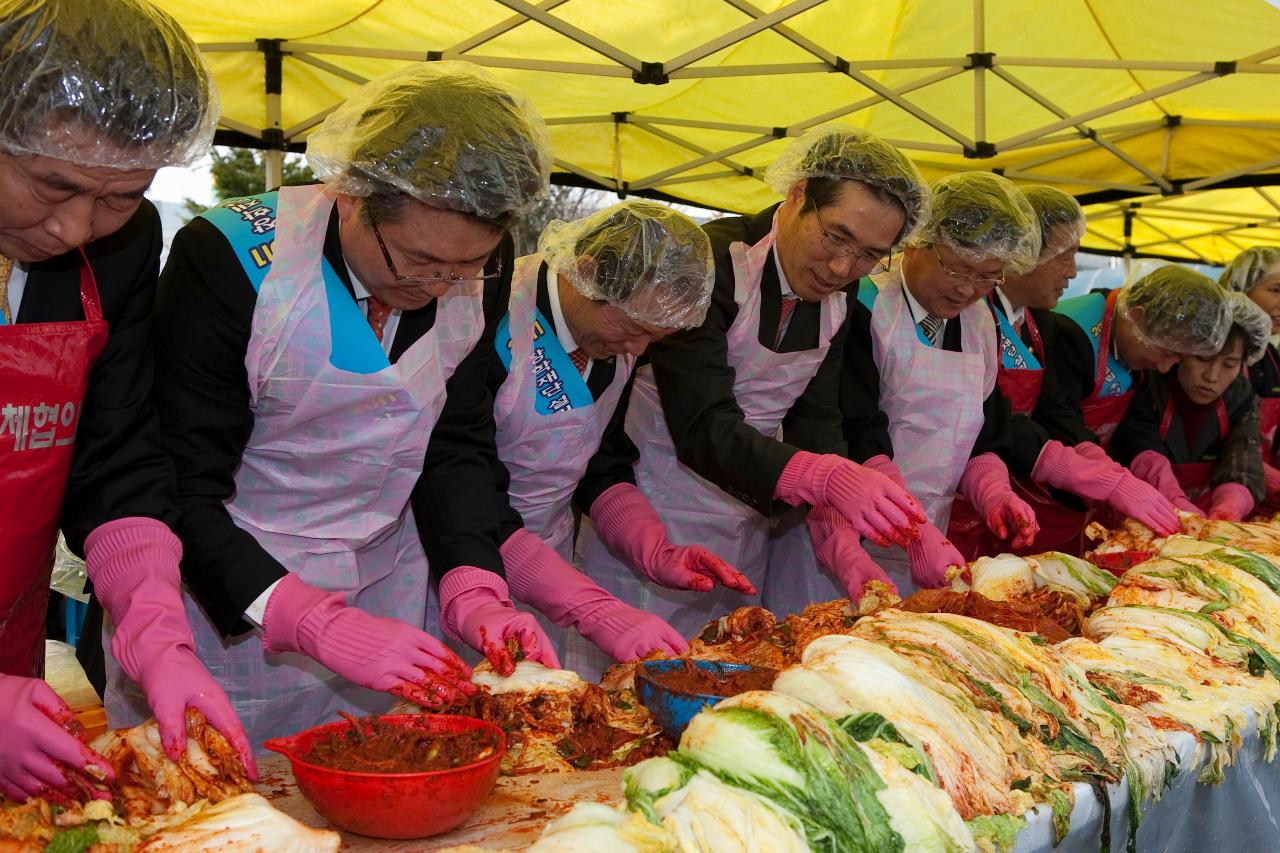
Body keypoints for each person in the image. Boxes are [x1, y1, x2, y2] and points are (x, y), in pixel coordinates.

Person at [139, 62, 556, 750]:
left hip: (387, 600)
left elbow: (453, 444)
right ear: (353, 195)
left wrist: (473, 578)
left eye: (465, 267)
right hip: (232, 595)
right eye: (418, 261)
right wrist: (307, 616)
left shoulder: (481, 259)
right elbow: (176, 481)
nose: (440, 284)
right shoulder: (231, 257)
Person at [0, 0, 254, 801]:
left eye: (120, 194)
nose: (77, 226)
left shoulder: (125, 243)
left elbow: (112, 447)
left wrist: (154, 622)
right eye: (52, 183)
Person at [577, 124, 931, 645]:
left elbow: (816, 416)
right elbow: (701, 422)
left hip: (748, 523)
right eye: (835, 236)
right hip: (650, 516)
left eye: (869, 255)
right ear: (796, 194)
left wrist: (835, 532)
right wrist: (824, 477)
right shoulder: (709, 263)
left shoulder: (840, 298)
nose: (842, 267)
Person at [492, 200, 751, 672]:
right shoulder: (495, 311)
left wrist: (651, 547)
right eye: (632, 329)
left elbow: (599, 457)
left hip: (548, 560)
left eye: (653, 339)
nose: (636, 350)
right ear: (587, 274)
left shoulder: (616, 338)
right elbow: (458, 471)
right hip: (458, 557)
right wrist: (593, 608)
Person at [835, 171, 1042, 602]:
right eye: (958, 268)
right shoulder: (864, 306)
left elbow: (983, 432)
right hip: (841, 544)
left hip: (933, 547)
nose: (969, 289)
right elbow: (855, 429)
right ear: (915, 240)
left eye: (988, 276)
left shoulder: (981, 322)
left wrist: (993, 492)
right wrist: (913, 532)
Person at [945, 185, 1182, 558]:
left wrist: (1098, 463)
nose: (1072, 272)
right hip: (956, 498)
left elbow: (1054, 411)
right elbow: (991, 414)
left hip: (1011, 497)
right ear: (1021, 254)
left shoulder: (1041, 324)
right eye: (1064, 256)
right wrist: (1080, 472)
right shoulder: (969, 315)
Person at [1040, 263, 1232, 541]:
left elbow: (1136, 423)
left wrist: (1166, 487)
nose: (1165, 368)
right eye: (1166, 353)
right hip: (1034, 489)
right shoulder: (1072, 330)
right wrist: (1115, 483)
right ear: (1138, 316)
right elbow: (1059, 421)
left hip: (1077, 497)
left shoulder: (1139, 347)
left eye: (1178, 360)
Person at [1111, 293, 1270, 520]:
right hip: (1139, 514)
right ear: (1182, 350)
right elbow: (1140, 446)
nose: (1212, 377)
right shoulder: (1149, 383)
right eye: (1203, 359)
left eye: (1229, 364)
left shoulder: (1242, 397)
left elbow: (1243, 455)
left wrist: (1230, 506)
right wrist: (1174, 501)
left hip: (1207, 515)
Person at [1219, 247, 1280, 511]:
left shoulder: (1271, 355)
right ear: (1241, 288)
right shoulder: (1215, 351)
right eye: (1276, 290)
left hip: (1264, 499)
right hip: (1223, 497)